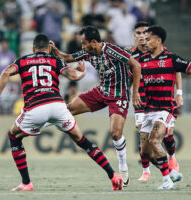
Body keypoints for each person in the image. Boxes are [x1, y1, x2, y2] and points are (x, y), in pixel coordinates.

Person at [0, 34, 123, 191]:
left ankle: (26, 183)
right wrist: (83, 73)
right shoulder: (55, 60)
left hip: (35, 108)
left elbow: (5, 73)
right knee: (82, 140)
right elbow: (73, 75)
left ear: (33, 49)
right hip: (58, 106)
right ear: (48, 49)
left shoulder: (22, 60)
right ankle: (113, 175)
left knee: (14, 136)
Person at [50, 25, 142, 187]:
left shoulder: (112, 50)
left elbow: (136, 65)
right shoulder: (88, 52)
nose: (83, 47)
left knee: (115, 133)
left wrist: (135, 92)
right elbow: (69, 57)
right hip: (101, 91)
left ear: (94, 42)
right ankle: (43, 122)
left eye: (84, 43)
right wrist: (56, 51)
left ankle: (122, 166)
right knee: (69, 109)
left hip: (118, 95)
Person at [139, 26, 191, 189]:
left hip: (165, 109)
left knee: (155, 141)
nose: (146, 41)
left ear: (158, 40)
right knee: (144, 152)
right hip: (148, 110)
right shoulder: (142, 60)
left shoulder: (171, 59)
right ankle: (172, 173)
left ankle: (167, 181)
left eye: (149, 38)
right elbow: (129, 72)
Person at [128, 21, 182, 182]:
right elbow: (130, 78)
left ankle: (171, 158)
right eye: (139, 33)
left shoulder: (160, 52)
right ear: (134, 36)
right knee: (144, 140)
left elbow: (175, 70)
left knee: (166, 136)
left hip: (161, 101)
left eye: (146, 33)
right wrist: (131, 93)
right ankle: (147, 171)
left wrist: (179, 93)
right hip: (142, 102)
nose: (143, 36)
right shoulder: (131, 55)